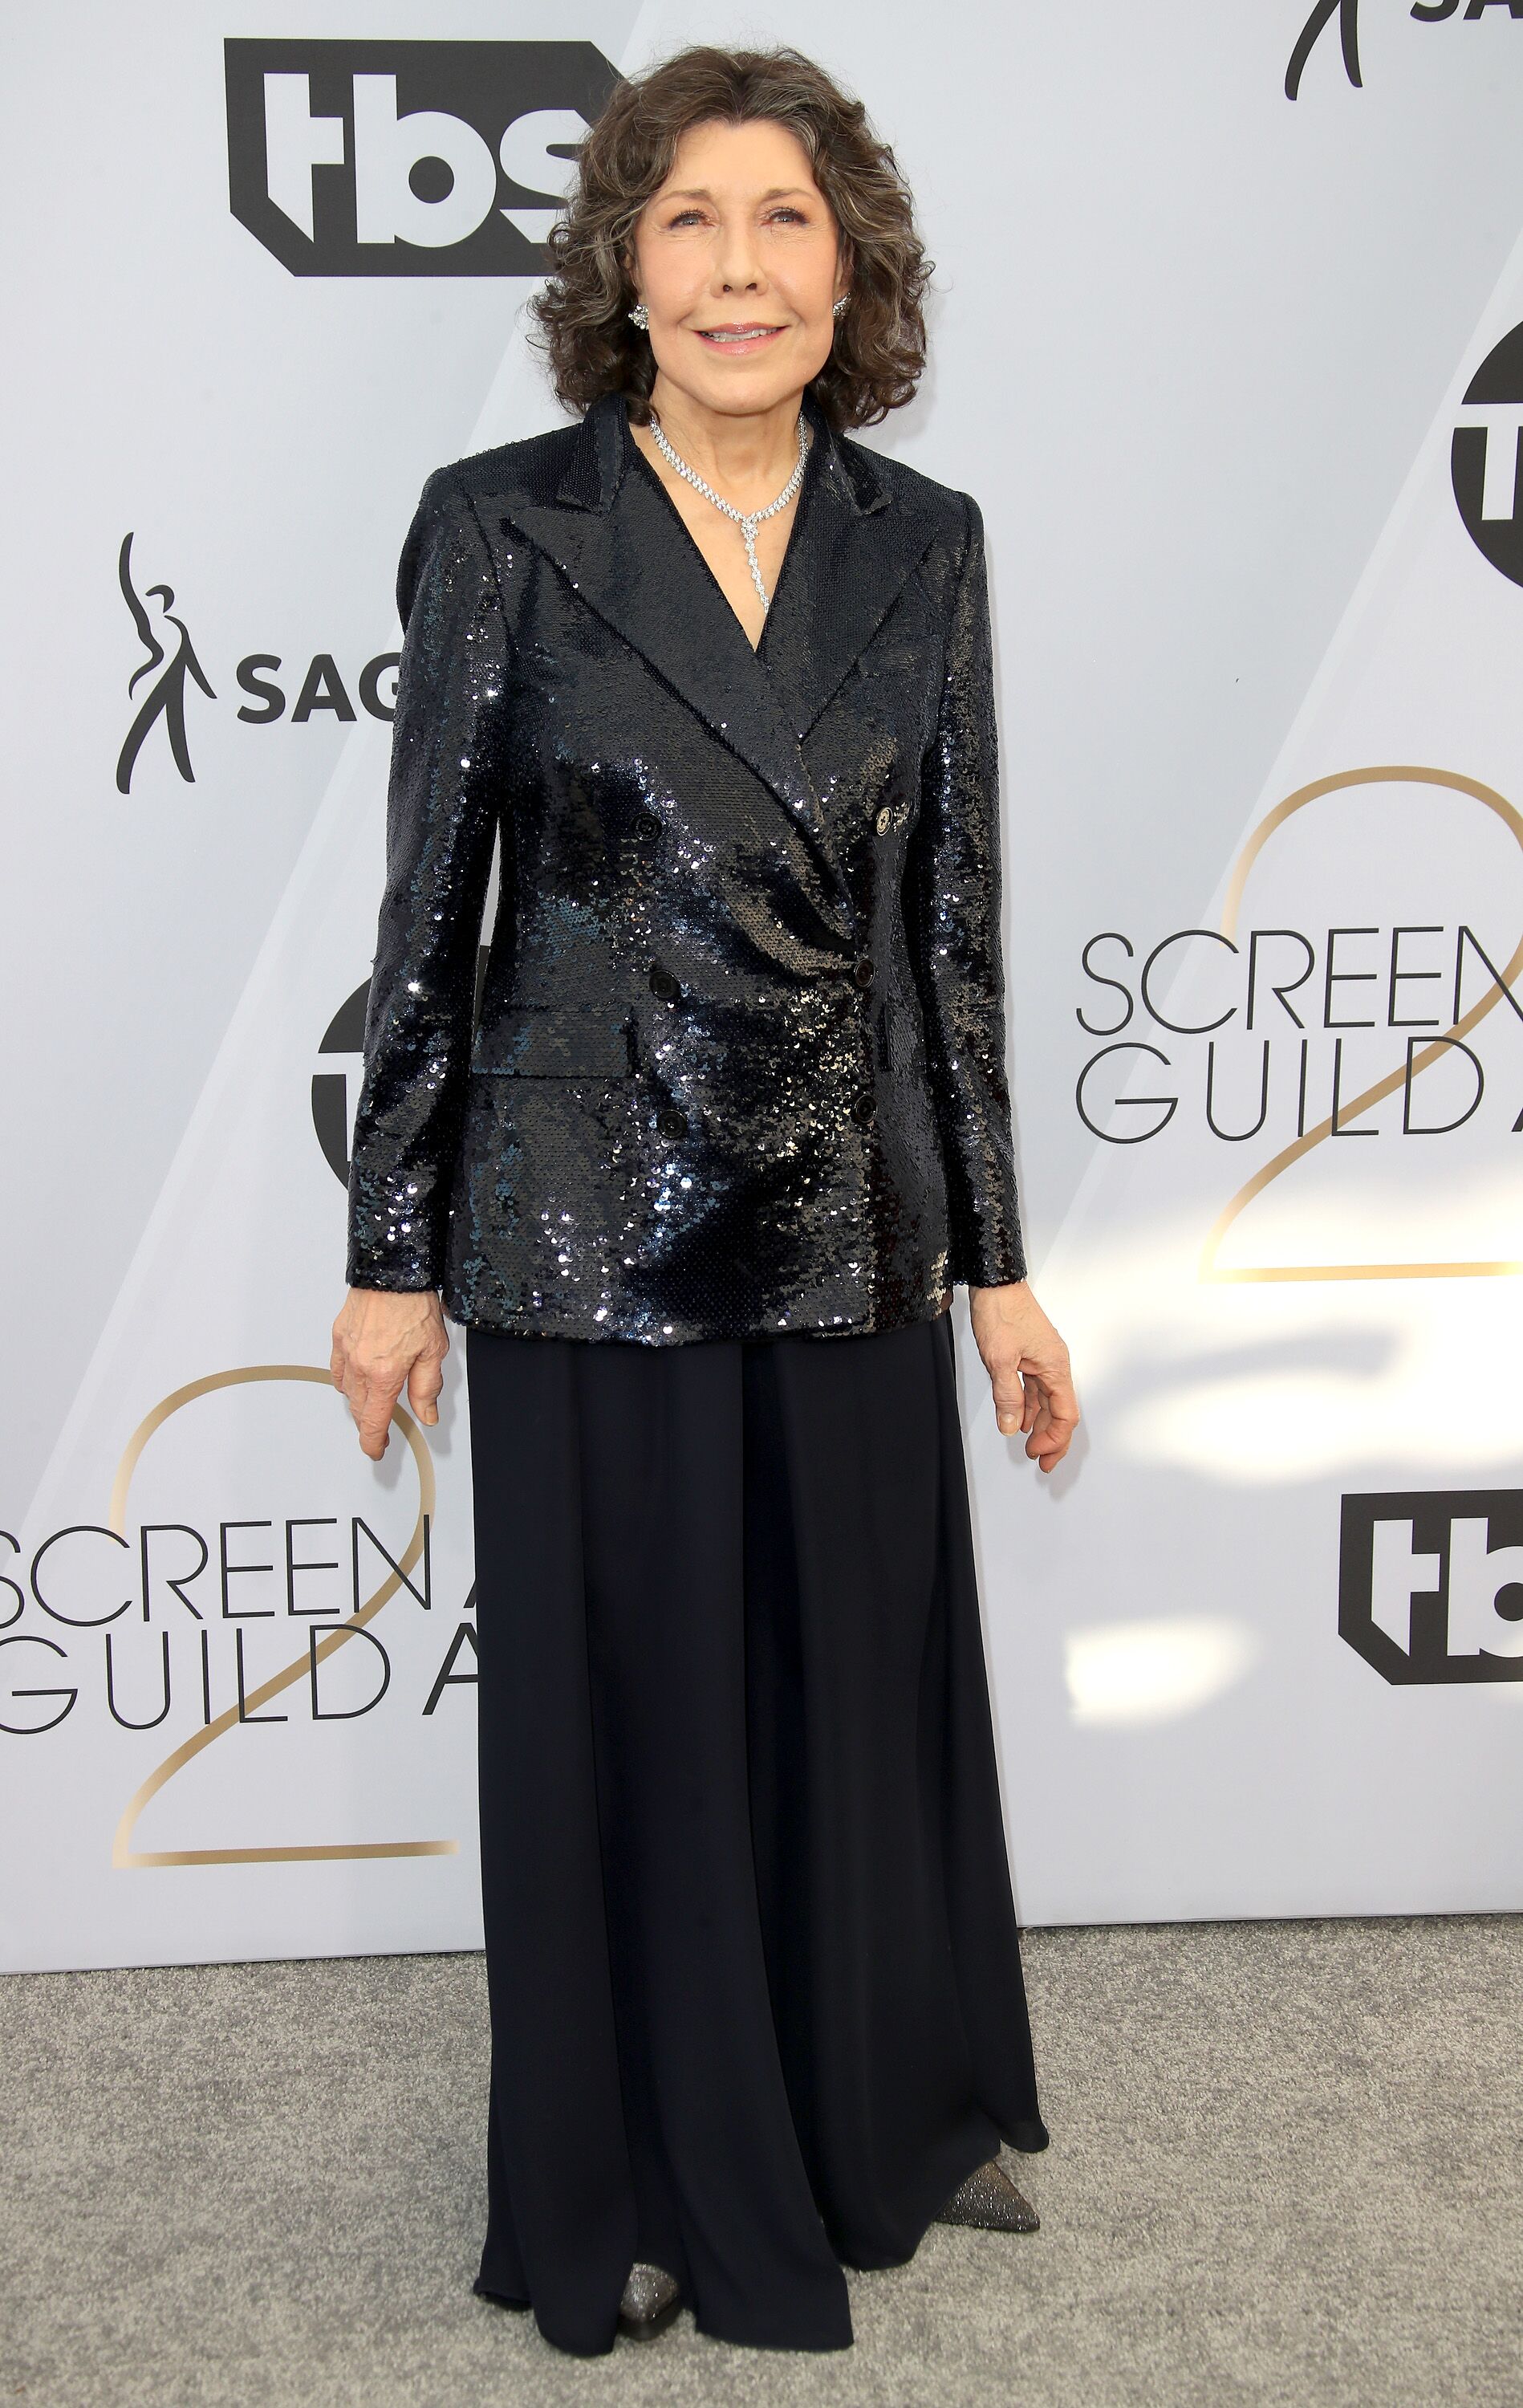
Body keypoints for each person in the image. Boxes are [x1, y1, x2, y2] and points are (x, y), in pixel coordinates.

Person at [331, 43, 1079, 2361]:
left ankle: (872, 2123)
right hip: (584, 1235)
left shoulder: (921, 540)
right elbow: (429, 908)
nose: (737, 269)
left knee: (846, 1705)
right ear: (620, 271)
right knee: (633, 1726)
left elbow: (943, 928)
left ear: (845, 268)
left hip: (851, 1225)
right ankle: (634, 2176)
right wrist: (389, 1253)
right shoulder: (503, 525)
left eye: (782, 221)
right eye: (689, 222)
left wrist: (1003, 1272)